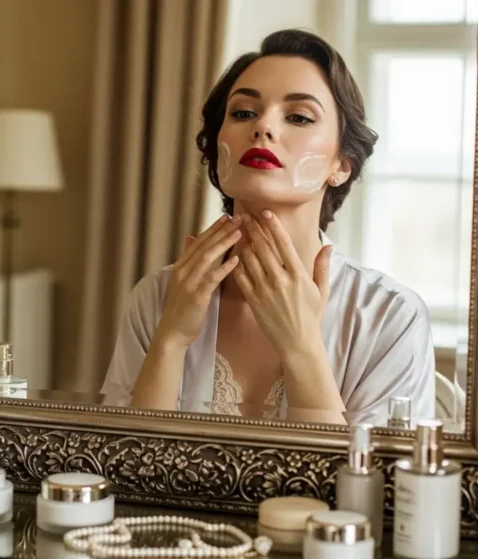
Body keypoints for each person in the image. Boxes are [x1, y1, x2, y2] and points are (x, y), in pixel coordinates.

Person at [102, 29, 435, 426]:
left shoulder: (389, 317)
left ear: (341, 165)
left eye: (298, 117)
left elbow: (365, 487)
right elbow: (130, 470)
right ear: (214, 149)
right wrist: (170, 340)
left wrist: (302, 347)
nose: (263, 128)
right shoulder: (157, 298)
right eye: (243, 113)